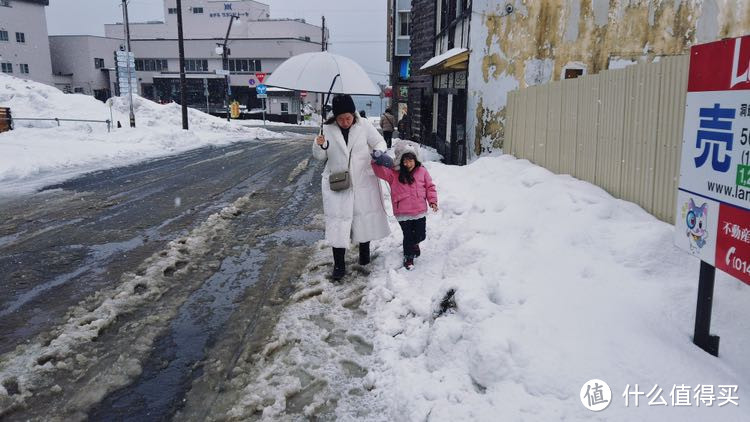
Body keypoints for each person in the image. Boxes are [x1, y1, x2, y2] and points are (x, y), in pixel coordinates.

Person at [312, 94, 390, 280]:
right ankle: (339, 265)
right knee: (338, 223)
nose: (345, 122)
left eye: (348, 118)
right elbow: (320, 157)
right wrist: (319, 144)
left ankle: (364, 257)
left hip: (363, 179)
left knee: (362, 217)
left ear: (353, 114)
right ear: (335, 117)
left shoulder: (363, 124)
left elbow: (379, 141)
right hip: (338, 182)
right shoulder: (327, 129)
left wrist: (378, 152)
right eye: (341, 119)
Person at [371, 143, 438, 269]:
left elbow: (430, 187)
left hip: (419, 211)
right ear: (400, 161)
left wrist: (433, 201)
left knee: (420, 235)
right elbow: (379, 171)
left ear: (415, 160)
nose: (408, 163)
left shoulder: (422, 171)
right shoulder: (393, 174)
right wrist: (375, 160)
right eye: (405, 161)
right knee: (408, 236)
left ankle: (415, 244)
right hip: (403, 213)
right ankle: (408, 258)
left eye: (410, 160)